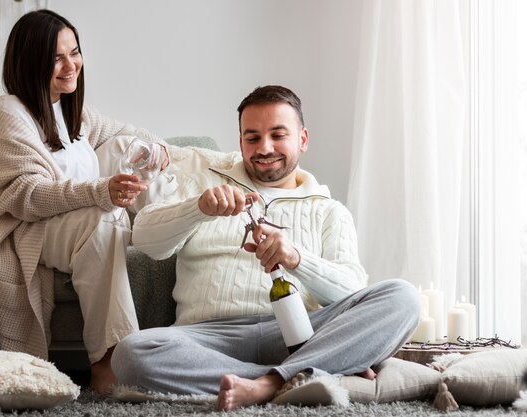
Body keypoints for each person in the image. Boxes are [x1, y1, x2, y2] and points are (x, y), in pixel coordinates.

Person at [111, 85, 420, 410]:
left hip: (298, 337)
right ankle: (302, 376)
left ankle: (268, 383)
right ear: (241, 140)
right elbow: (145, 239)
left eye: (277, 134)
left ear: (302, 139)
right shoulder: (206, 185)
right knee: (131, 354)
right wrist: (198, 209)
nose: (265, 147)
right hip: (209, 338)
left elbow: (352, 290)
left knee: (403, 297)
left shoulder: (330, 211)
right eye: (253, 137)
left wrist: (296, 259)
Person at [0, 9, 175, 394]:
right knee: (104, 220)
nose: (70, 65)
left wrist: (155, 148)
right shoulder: (10, 113)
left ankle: (177, 226)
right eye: (56, 57)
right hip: (20, 226)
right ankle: (108, 365)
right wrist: (101, 192)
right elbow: (26, 198)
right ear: (30, 61)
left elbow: (129, 132)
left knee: (130, 147)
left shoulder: (70, 109)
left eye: (74, 52)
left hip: (69, 213)